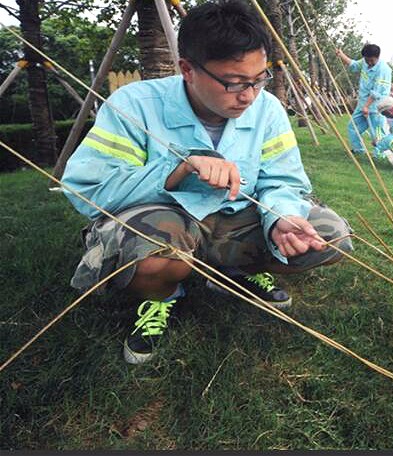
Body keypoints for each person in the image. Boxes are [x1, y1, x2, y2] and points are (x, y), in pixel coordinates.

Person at [61, 0, 353, 365]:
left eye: (259, 79)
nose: (248, 96)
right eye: (233, 83)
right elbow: (87, 188)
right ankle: (162, 296)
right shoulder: (133, 105)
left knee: (328, 236)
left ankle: (233, 273)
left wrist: (281, 217)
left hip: (238, 219)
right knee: (153, 260)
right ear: (187, 69)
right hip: (171, 225)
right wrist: (177, 171)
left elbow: (282, 180)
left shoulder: (268, 109)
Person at [335, 44, 392, 154]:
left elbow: (376, 92)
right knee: (353, 127)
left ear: (377, 57)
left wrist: (367, 106)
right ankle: (358, 150)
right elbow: (354, 65)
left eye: (371, 61)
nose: (369, 63)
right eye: (367, 60)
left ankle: (380, 154)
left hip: (377, 106)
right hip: (362, 104)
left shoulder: (383, 69)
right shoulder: (365, 61)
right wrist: (341, 55)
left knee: (377, 132)